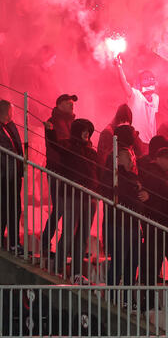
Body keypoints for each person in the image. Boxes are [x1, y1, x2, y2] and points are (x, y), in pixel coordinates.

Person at [59, 118, 100, 281]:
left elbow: (96, 174)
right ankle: (58, 269)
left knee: (82, 238)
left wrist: (97, 190)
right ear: (77, 131)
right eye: (83, 130)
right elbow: (55, 147)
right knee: (68, 233)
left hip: (89, 198)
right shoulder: (68, 147)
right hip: (72, 196)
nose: (87, 134)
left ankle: (76, 273)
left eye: (88, 131)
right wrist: (49, 132)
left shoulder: (92, 152)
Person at [138, 146, 168, 285]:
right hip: (158, 226)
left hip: (166, 227)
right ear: (158, 159)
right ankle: (159, 296)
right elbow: (149, 198)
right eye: (167, 158)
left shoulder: (166, 176)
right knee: (157, 263)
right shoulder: (152, 175)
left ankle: (164, 295)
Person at [106, 146, 149, 286]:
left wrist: (145, 195)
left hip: (134, 225)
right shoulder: (113, 175)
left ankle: (126, 300)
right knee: (119, 262)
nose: (132, 160)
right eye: (128, 156)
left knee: (132, 264)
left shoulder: (135, 177)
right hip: (119, 224)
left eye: (132, 157)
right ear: (118, 158)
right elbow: (121, 194)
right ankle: (112, 297)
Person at [40, 93, 76, 256]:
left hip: (69, 172)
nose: (71, 105)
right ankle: (46, 243)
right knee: (60, 208)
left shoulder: (73, 123)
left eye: (72, 103)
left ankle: (66, 246)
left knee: (70, 209)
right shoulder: (54, 122)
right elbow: (59, 147)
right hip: (57, 171)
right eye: (68, 102)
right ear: (59, 104)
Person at [115, 56, 159, 145]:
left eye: (151, 79)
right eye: (146, 79)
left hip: (151, 142)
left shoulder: (156, 98)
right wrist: (118, 66)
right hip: (137, 141)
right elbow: (124, 83)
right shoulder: (135, 95)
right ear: (139, 83)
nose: (149, 81)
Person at [0, 100, 24, 254]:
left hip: (14, 175)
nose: (13, 114)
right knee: (3, 208)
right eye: (11, 110)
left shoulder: (9, 127)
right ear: (6, 111)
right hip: (4, 176)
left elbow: (17, 148)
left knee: (14, 208)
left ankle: (15, 242)